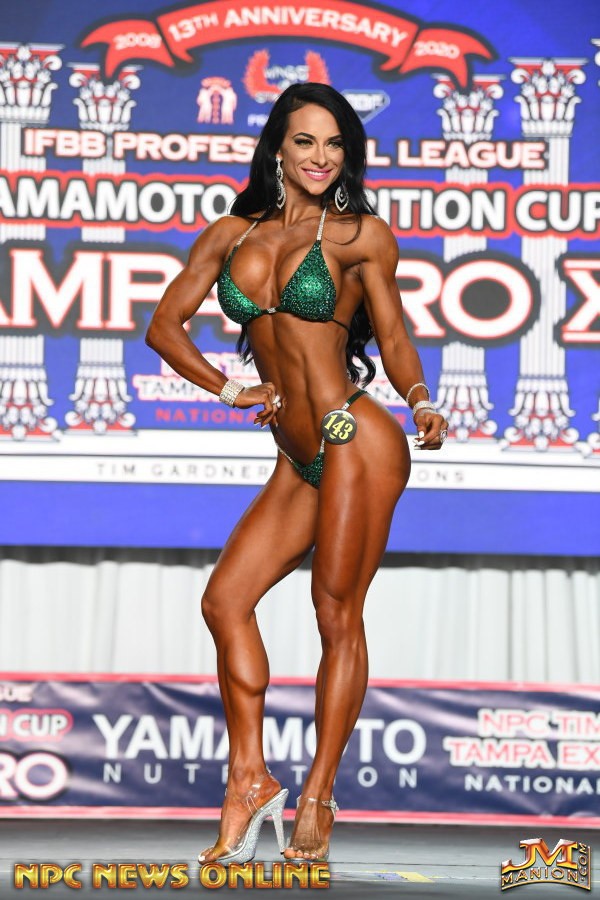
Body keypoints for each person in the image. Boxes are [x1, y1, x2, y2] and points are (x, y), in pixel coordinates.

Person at [146, 82, 448, 864]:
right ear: (277, 147)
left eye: (335, 143)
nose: (321, 157)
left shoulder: (360, 235)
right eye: (306, 141)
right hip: (295, 455)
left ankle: (319, 790)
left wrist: (419, 399)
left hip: (355, 433)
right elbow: (164, 327)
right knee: (225, 601)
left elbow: (394, 336)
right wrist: (229, 388)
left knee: (335, 611)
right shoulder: (232, 232)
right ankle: (248, 776)